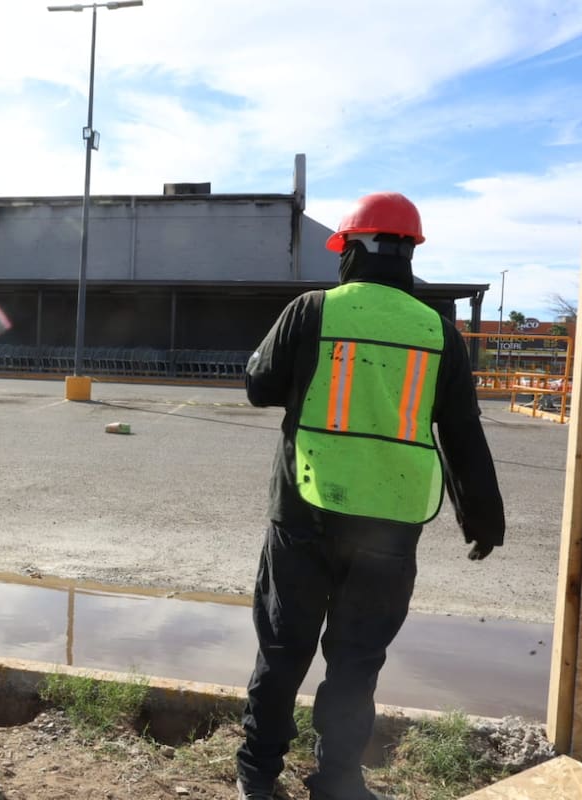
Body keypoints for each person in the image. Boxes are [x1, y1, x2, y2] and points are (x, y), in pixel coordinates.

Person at [234, 192, 506, 800]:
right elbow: (462, 429)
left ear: (350, 249)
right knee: (356, 662)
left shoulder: (311, 311)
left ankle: (258, 773)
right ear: (409, 253)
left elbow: (259, 387)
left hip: (305, 511)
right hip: (391, 523)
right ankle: (337, 781)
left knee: (283, 647)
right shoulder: (437, 330)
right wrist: (483, 518)